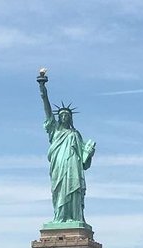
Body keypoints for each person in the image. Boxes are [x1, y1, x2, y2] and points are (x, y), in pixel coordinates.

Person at [38, 70, 96, 224]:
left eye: (67, 115)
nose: (64, 116)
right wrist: (43, 89)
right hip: (59, 165)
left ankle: (74, 217)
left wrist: (89, 153)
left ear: (70, 118)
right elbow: (47, 110)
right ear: (58, 117)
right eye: (61, 115)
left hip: (73, 166)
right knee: (59, 190)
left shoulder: (76, 134)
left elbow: (84, 160)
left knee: (74, 190)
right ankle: (60, 217)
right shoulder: (55, 130)